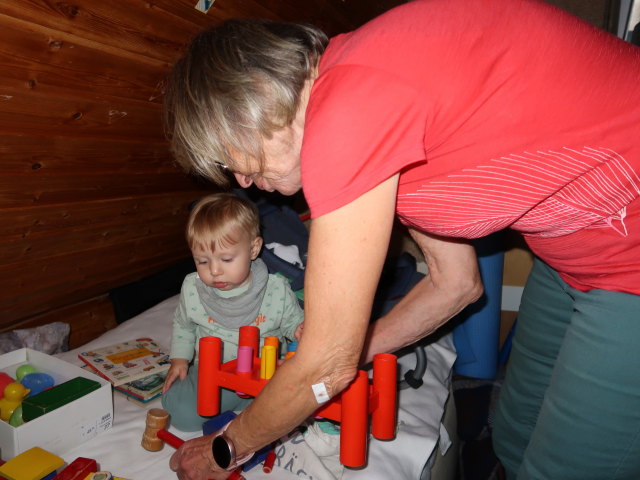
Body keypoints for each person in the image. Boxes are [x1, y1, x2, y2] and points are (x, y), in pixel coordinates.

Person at [163, 0, 640, 478]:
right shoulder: (379, 122)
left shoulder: (350, 106)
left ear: (256, 92)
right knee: (515, 433)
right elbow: (456, 283)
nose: (241, 181)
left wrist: (227, 447)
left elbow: (324, 367)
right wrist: (359, 343)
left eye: (229, 159)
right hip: (571, 257)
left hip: (631, 263)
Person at [161, 192, 304, 432]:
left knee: (294, 410)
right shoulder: (192, 288)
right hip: (212, 374)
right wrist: (179, 359)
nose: (215, 271)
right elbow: (184, 325)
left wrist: (300, 330)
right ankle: (241, 411)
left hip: (264, 377)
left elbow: (293, 325)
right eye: (202, 261)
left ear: (253, 249)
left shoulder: (276, 289)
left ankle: (252, 411)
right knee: (180, 414)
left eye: (226, 259)